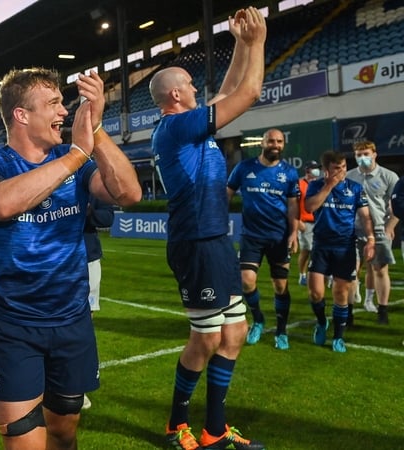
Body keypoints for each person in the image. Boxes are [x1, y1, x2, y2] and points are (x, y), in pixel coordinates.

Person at [0, 67, 141, 450]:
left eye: (64, 101)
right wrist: (78, 153)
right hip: (13, 323)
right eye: (53, 103)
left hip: (71, 319)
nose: (64, 110)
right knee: (26, 443)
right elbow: (0, 203)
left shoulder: (72, 158)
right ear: (21, 115)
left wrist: (94, 128)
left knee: (64, 431)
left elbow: (129, 194)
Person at [149, 7, 267, 450]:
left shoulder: (189, 126)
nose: (198, 89)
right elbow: (249, 91)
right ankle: (175, 424)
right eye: (191, 85)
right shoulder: (178, 127)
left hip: (215, 240)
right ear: (177, 95)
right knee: (206, 338)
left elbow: (225, 92)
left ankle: (215, 431)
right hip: (195, 243)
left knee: (233, 334)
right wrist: (257, 41)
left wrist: (238, 42)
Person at [226, 128, 300, 350]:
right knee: (246, 281)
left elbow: (293, 205)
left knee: (280, 286)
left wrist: (294, 232)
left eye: (279, 141)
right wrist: (218, 216)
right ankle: (258, 319)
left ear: (283, 145)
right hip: (251, 235)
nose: (275, 145)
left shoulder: (289, 173)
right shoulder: (244, 168)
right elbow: (227, 193)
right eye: (271, 141)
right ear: (263, 143)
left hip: (278, 237)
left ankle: (281, 330)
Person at [304, 150, 374, 352]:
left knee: (340, 291)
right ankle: (321, 322)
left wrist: (370, 239)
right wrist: (329, 185)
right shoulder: (316, 185)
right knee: (316, 293)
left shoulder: (355, 188)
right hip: (321, 245)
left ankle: (338, 337)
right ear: (326, 170)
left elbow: (365, 216)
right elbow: (309, 207)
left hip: (345, 246)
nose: (342, 171)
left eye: (343, 167)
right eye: (336, 168)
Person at [345, 141, 399, 324]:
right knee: (350, 272)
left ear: (375, 154)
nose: (362, 158)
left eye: (366, 153)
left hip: (379, 231)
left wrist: (389, 227)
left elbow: (398, 206)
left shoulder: (389, 177)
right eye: (358, 155)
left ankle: (382, 310)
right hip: (352, 232)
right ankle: (348, 312)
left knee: (380, 271)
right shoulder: (348, 176)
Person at [81, 195, 115, 410]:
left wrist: (89, 212)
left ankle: (76, 387)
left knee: (84, 323)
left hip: (89, 260)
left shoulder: (94, 181)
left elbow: (107, 217)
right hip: (55, 257)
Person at [297, 161, 321, 286]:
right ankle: (302, 274)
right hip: (305, 221)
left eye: (317, 168)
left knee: (320, 250)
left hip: (320, 221)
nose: (317, 171)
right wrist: (298, 221)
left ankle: (320, 274)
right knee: (307, 249)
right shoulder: (299, 184)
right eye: (314, 169)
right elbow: (293, 204)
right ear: (307, 171)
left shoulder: (320, 184)